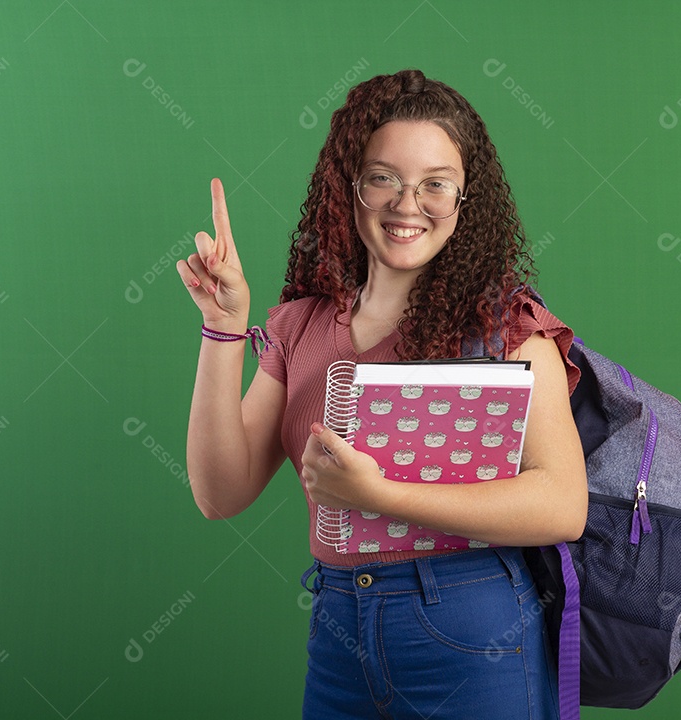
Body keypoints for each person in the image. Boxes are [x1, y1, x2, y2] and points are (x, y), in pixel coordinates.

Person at [176, 68, 587, 719]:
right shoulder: (300, 324)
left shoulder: (505, 328)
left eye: (435, 186)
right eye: (382, 178)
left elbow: (563, 505)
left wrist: (377, 497)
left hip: (472, 629)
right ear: (349, 185)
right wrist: (223, 326)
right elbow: (218, 494)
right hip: (340, 624)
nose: (407, 204)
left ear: (464, 201)